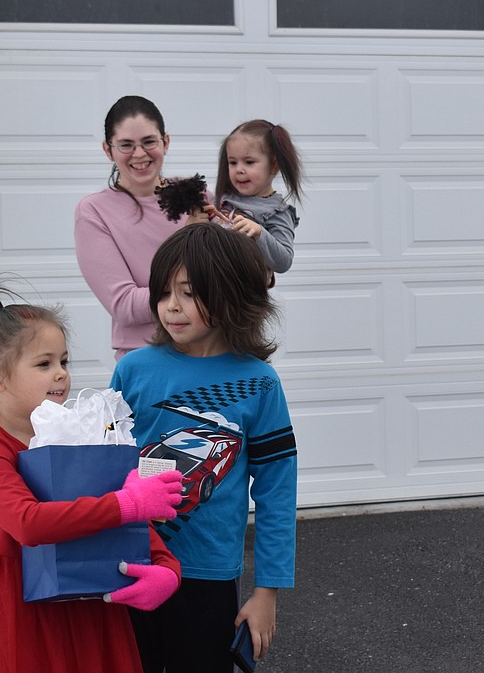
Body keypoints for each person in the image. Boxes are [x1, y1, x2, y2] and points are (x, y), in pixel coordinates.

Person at [0, 284, 183, 673]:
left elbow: (131, 523)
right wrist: (125, 504)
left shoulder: (83, 438)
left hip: (90, 601)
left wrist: (166, 569)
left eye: (63, 361)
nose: (61, 374)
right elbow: (29, 523)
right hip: (20, 611)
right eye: (44, 364)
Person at [111, 222, 298, 672]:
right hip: (131, 564)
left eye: (190, 293)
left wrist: (266, 592)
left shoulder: (259, 383)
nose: (171, 307)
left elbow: (276, 490)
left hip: (208, 575)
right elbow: (105, 467)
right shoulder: (133, 370)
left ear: (232, 293)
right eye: (163, 292)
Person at [76, 96, 198, 359]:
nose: (140, 154)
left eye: (149, 142)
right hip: (147, 358)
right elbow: (125, 306)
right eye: (126, 145)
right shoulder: (95, 212)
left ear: (166, 142)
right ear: (108, 150)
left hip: (211, 352)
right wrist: (199, 289)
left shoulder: (198, 198)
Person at [210, 119, 303, 274]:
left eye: (249, 162)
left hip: (242, 294)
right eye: (233, 162)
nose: (239, 169)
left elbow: (284, 262)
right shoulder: (221, 199)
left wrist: (259, 233)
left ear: (273, 166)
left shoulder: (277, 211)